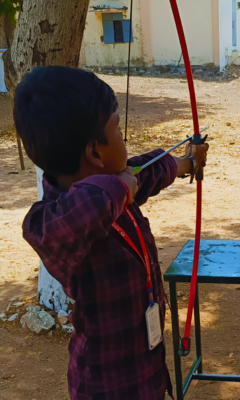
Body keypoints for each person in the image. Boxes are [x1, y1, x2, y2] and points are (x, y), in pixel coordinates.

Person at [15, 66, 209, 400]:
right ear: (94, 152)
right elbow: (91, 205)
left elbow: (148, 170)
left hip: (146, 375)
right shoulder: (55, 219)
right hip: (106, 387)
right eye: (118, 130)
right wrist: (121, 186)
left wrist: (186, 162)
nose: (124, 139)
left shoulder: (115, 187)